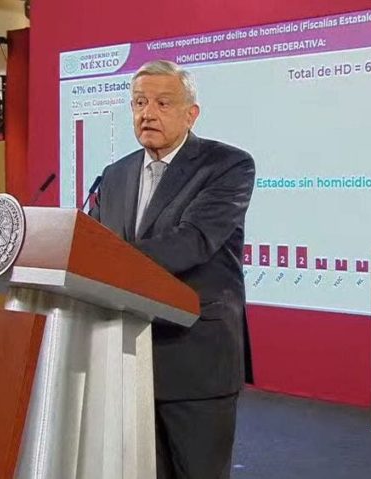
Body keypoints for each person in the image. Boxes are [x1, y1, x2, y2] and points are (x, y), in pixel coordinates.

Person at [89, 59, 255, 478]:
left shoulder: (228, 165)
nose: (148, 113)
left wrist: (107, 262)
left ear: (190, 113)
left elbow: (193, 241)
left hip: (195, 355)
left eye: (163, 103)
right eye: (139, 103)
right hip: (127, 356)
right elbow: (92, 244)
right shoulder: (115, 175)